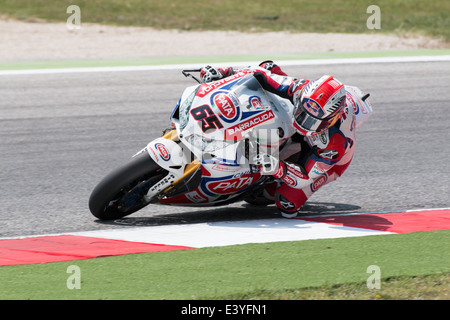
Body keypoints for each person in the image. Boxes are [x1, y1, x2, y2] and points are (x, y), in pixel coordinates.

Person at [199, 61, 357, 218]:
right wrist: (224, 71)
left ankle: (268, 184)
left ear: (330, 120)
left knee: (287, 204)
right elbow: (259, 74)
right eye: (301, 110)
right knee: (268, 67)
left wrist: (277, 168)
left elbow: (305, 178)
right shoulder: (300, 90)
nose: (302, 121)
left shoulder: (334, 143)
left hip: (329, 162)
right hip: (301, 123)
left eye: (312, 120)